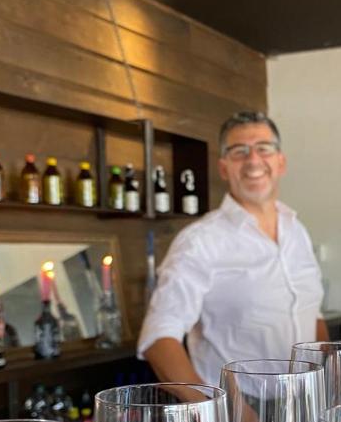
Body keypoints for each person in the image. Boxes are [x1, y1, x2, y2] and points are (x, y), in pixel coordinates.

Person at [138, 111, 328, 385]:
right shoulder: (200, 241)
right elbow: (158, 338)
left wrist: (327, 377)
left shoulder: (297, 230)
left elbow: (312, 312)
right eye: (239, 152)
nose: (253, 161)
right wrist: (221, 409)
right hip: (242, 408)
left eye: (264, 149)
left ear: (280, 162)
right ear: (224, 168)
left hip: (307, 398)